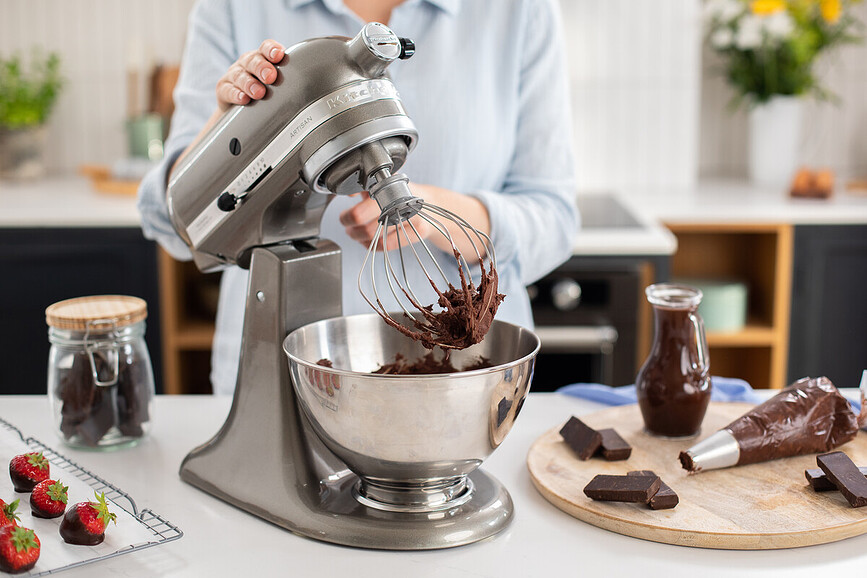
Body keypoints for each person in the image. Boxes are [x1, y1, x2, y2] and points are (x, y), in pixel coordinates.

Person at [138, 0, 578, 395]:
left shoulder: (522, 9)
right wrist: (227, 130)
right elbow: (173, 225)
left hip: (468, 382)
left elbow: (554, 219)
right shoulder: (233, 7)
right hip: (277, 377)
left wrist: (439, 216)